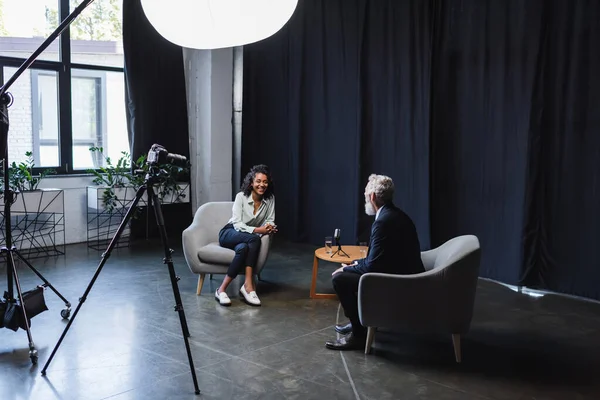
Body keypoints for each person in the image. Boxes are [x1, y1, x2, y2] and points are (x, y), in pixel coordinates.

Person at [325, 174, 425, 350]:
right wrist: (355, 265)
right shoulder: (395, 215)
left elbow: (373, 266)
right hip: (403, 273)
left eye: (365, 194)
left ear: (372, 197)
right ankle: (361, 321)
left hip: (400, 281)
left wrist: (347, 269)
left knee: (339, 279)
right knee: (348, 272)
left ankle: (358, 333)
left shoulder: (383, 222)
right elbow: (379, 257)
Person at [215, 164, 277, 307]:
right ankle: (249, 285)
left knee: (243, 248)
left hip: (245, 239)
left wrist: (269, 227)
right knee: (254, 239)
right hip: (229, 233)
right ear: (251, 183)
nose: (262, 185)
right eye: (258, 181)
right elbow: (237, 224)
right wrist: (258, 230)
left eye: (265, 182)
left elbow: (270, 219)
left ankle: (221, 289)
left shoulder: (270, 199)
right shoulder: (241, 197)